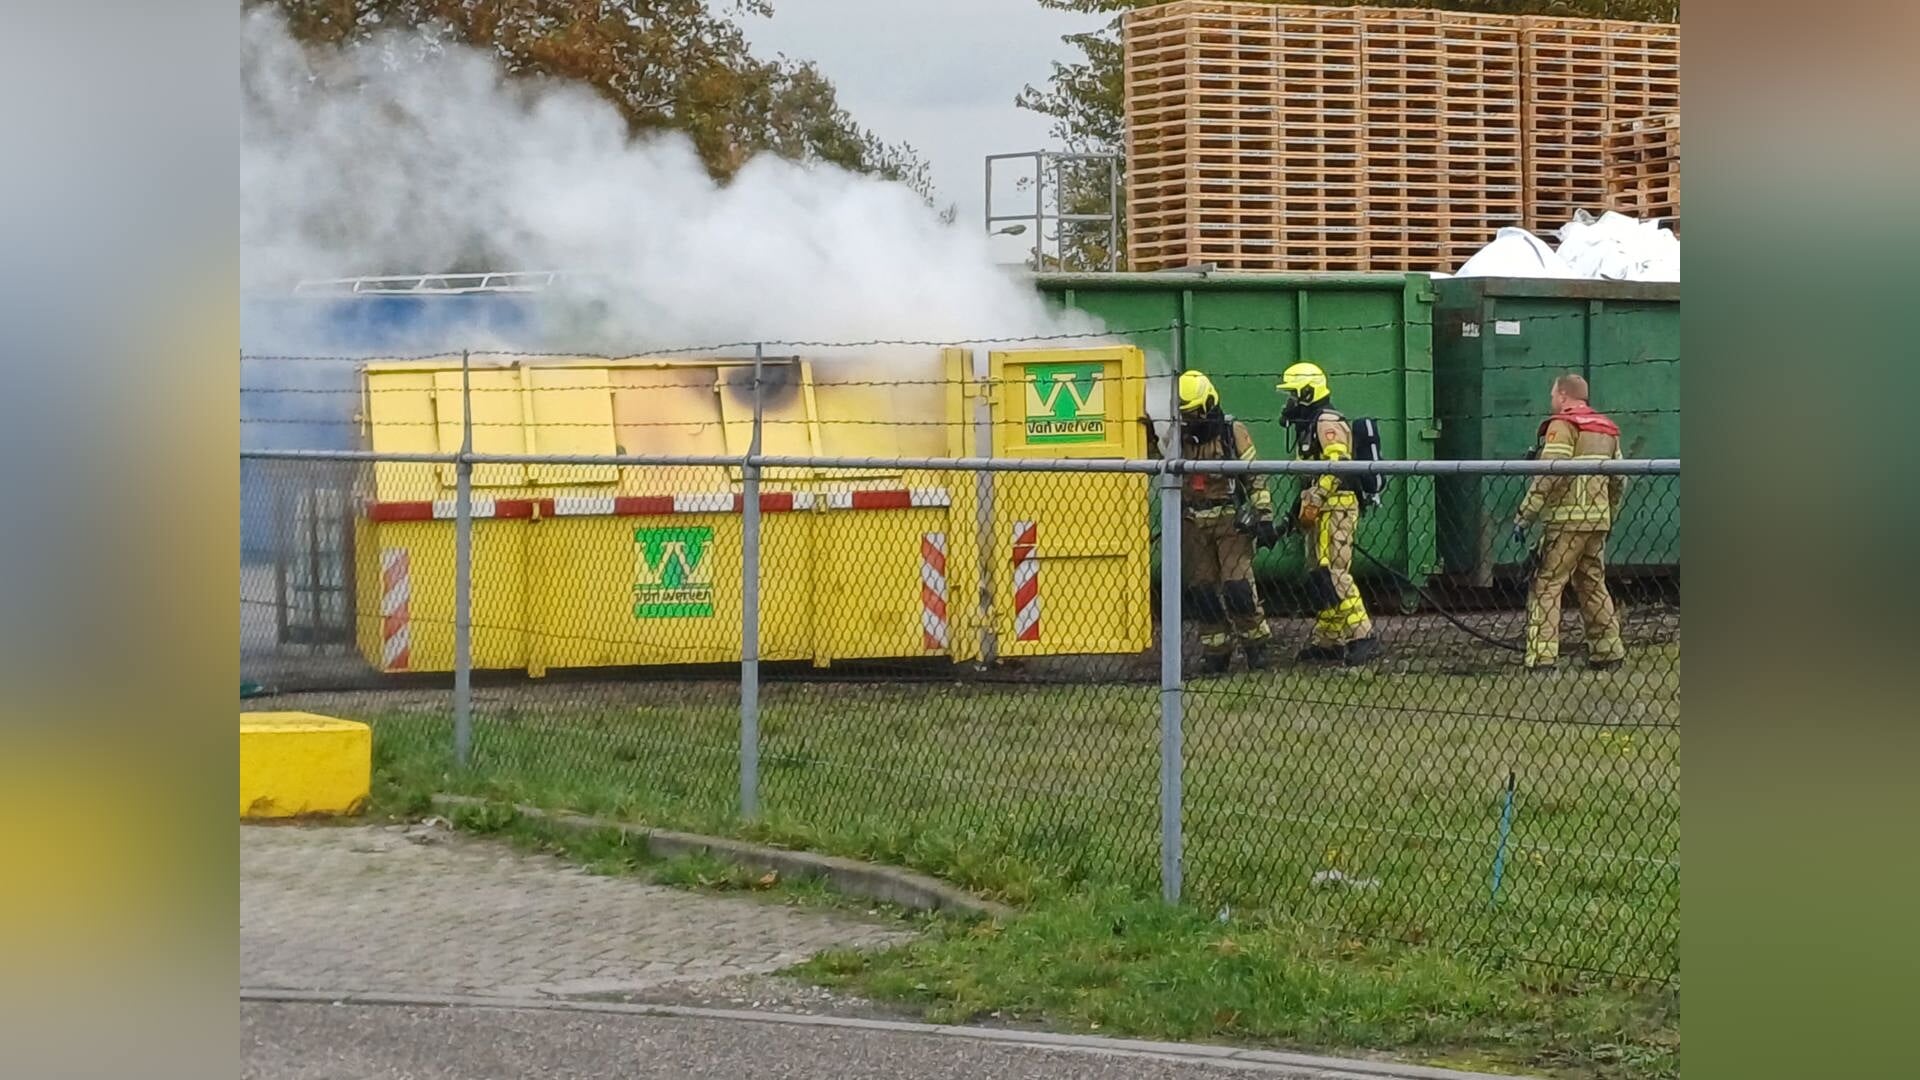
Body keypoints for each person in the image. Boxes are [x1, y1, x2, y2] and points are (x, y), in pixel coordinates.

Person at [1148, 370, 1280, 674]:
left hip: (1230, 521)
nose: (1189, 419)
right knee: (1202, 592)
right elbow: (1162, 465)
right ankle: (1216, 651)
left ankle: (1256, 647)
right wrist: (1150, 441)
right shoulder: (1179, 435)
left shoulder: (1232, 432)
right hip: (1193, 522)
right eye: (1184, 414)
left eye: (1193, 413)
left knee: (1238, 588)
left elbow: (1255, 476)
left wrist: (1264, 516)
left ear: (1208, 404)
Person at [1512, 372, 1627, 671]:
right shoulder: (1607, 429)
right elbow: (1619, 480)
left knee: (1547, 583)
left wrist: (1525, 516)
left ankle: (1542, 658)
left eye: (1553, 394)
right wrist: (1608, 514)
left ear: (1563, 395)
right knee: (1591, 583)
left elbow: (1550, 473)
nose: (1551, 399)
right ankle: (1608, 651)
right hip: (1597, 522)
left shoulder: (1563, 425)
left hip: (1565, 521)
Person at [1276, 362, 1381, 665]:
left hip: (1336, 505)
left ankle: (1363, 635)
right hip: (1320, 506)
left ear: (1308, 392)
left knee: (1334, 571)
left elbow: (1339, 463)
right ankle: (1329, 640)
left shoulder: (1327, 422)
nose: (1290, 403)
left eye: (1294, 395)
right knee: (1319, 575)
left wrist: (1318, 495)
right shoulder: (1309, 425)